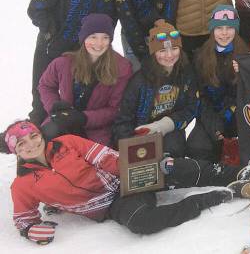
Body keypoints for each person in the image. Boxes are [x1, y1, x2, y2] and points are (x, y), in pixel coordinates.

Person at [3, 120, 236, 242]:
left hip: (124, 179)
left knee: (175, 167)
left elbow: (108, 158)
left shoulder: (67, 142)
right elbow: (24, 219)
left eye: (33, 136)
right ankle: (205, 200)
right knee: (142, 222)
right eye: (22, 144)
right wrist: (32, 230)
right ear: (16, 151)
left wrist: (150, 167)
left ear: (40, 134)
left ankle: (237, 175)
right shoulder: (23, 184)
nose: (32, 144)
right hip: (111, 206)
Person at [28, 0, 120, 125]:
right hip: (54, 48)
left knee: (82, 104)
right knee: (42, 100)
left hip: (92, 52)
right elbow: (36, 8)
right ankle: (32, 146)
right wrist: (52, 34)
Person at [37, 13, 132, 147]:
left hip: (96, 128)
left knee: (91, 158)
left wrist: (84, 118)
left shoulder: (121, 68)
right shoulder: (64, 63)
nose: (99, 44)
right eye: (93, 37)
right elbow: (45, 85)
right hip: (62, 120)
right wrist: (54, 107)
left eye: (105, 38)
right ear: (83, 38)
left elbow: (115, 109)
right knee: (44, 144)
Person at [111, 20, 199, 157]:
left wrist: (165, 124)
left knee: (174, 147)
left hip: (170, 130)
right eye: (162, 50)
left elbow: (191, 107)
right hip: (141, 134)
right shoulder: (139, 81)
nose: (169, 55)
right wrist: (129, 144)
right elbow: (123, 120)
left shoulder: (186, 74)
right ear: (153, 53)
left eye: (174, 48)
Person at [187, 5, 250, 163]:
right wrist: (215, 126)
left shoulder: (246, 55)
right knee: (198, 146)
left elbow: (246, 95)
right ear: (212, 30)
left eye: (229, 27)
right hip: (210, 116)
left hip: (236, 115)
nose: (224, 33)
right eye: (219, 28)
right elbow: (199, 97)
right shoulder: (200, 56)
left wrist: (244, 73)